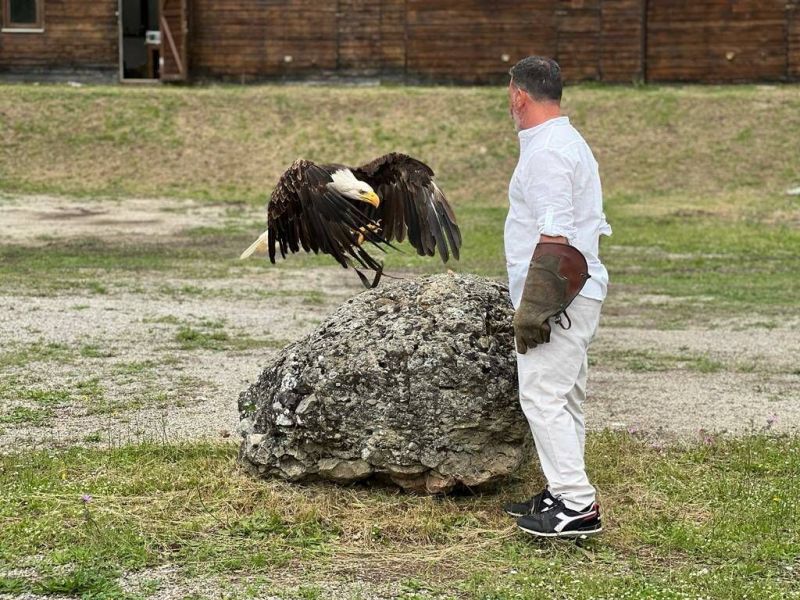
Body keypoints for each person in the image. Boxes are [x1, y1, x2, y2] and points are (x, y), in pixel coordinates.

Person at [502, 56, 612, 538]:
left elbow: (555, 235)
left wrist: (536, 306)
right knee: (565, 398)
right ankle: (561, 489)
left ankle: (577, 505)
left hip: (560, 294)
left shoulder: (547, 150)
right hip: (577, 290)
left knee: (542, 395)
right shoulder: (565, 141)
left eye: (508, 93)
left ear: (519, 96)